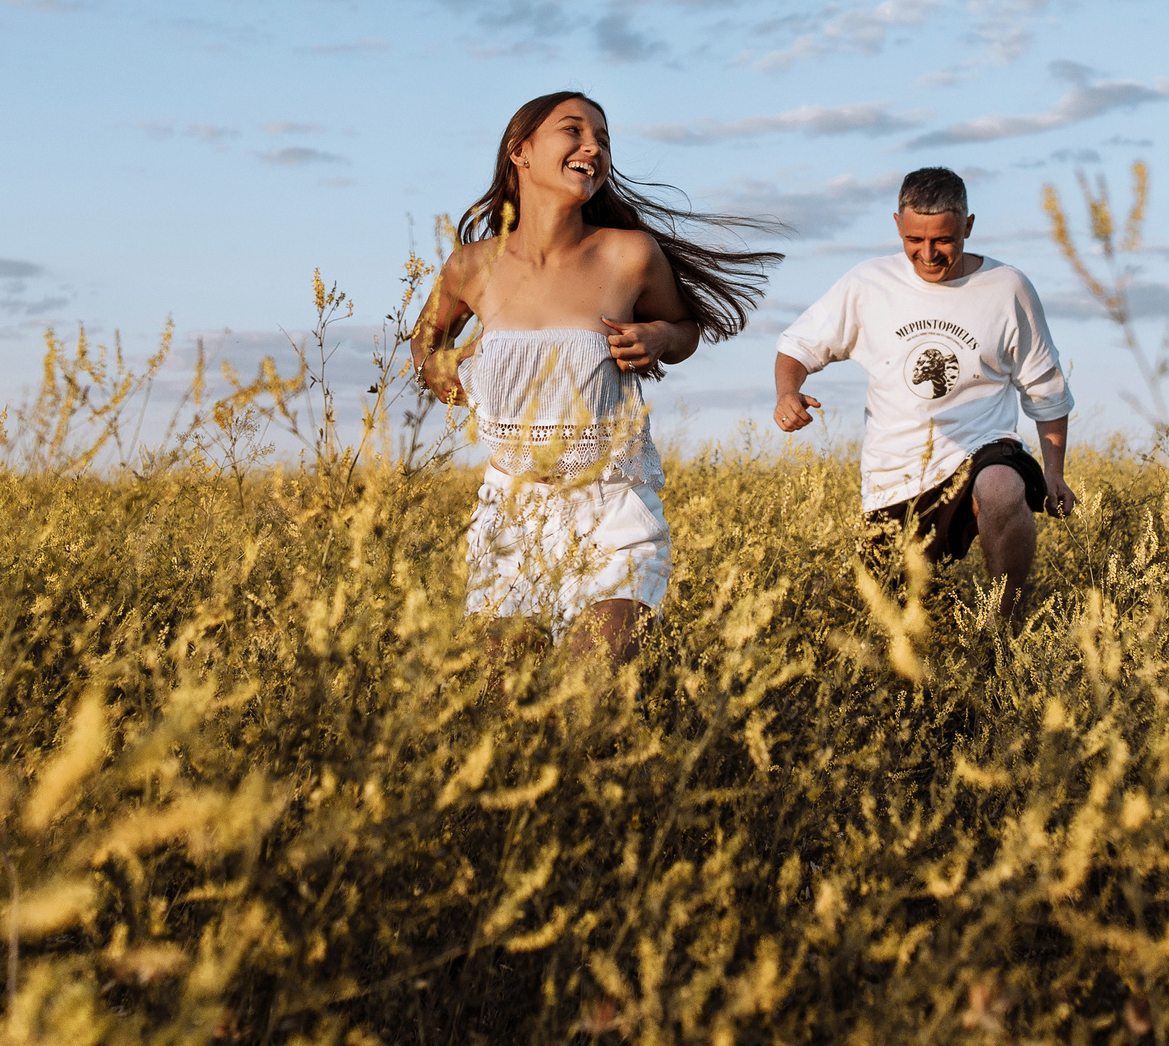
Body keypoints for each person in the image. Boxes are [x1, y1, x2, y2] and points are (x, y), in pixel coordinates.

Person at [416, 90, 777, 666]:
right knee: (509, 709)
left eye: (603, 140)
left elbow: (684, 329)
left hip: (612, 508)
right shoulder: (471, 266)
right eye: (574, 132)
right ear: (521, 152)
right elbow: (426, 342)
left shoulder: (629, 254)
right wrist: (443, 370)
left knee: (590, 696)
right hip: (512, 514)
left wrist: (659, 337)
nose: (593, 147)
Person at [772, 166, 1076, 623]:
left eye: (944, 240)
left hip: (982, 450)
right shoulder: (867, 284)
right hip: (894, 475)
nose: (929, 254)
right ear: (897, 224)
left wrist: (1054, 473)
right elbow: (797, 346)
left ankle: (1004, 626)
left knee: (1001, 486)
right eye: (915, 240)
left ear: (968, 226)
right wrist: (787, 392)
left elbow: (1046, 391)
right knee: (896, 623)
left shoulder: (1007, 288)